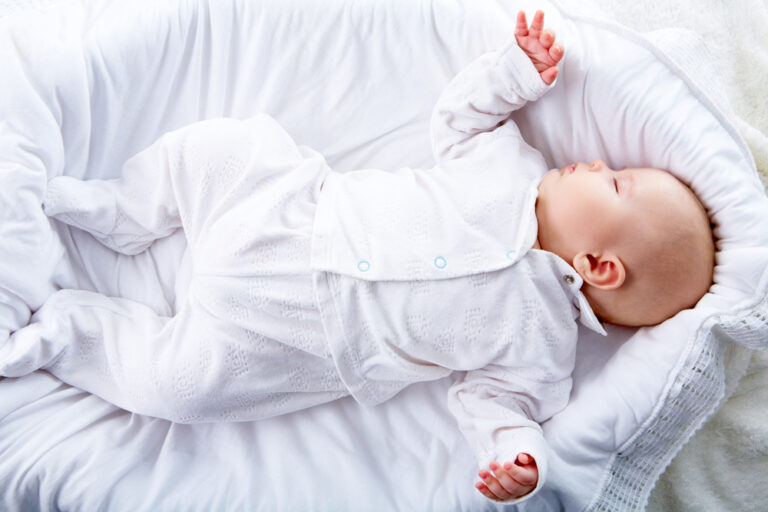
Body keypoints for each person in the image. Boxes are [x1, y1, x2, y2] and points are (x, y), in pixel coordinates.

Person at [0, 10, 714, 504]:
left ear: (600, 267)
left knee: (183, 388)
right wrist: (516, 74)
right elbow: (461, 118)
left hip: (295, 340)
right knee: (223, 148)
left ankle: (63, 334)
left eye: (614, 182)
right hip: (292, 214)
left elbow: (495, 402)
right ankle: (124, 211)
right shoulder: (508, 169)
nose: (593, 164)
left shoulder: (545, 347)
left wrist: (518, 457)